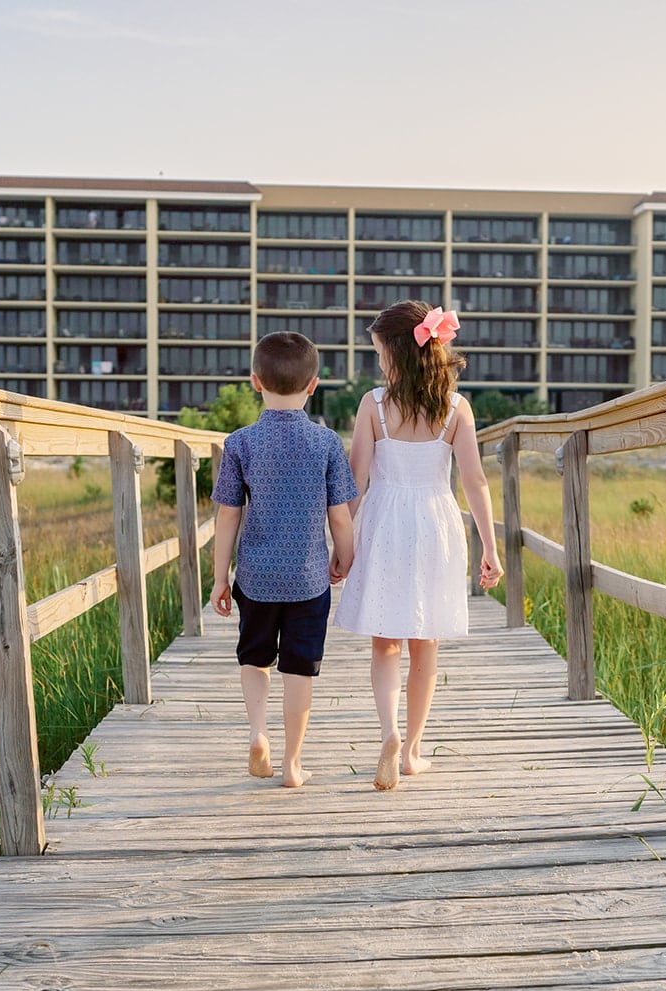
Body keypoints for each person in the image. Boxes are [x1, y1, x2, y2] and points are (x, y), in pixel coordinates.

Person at [334, 302, 502, 790]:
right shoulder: (456, 407)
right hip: (435, 524)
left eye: (381, 353)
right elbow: (474, 481)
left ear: (397, 355)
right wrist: (489, 546)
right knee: (423, 644)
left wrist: (341, 546)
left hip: (384, 522)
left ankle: (387, 732)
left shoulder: (373, 405)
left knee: (384, 643)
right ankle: (410, 752)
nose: (379, 363)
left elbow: (355, 482)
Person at [210, 331, 358, 788]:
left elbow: (227, 515)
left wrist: (220, 578)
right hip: (308, 576)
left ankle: (258, 734)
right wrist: (344, 558)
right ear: (313, 385)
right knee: (299, 669)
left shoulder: (240, 442)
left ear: (256, 381)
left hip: (255, 575)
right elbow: (340, 516)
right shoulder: (328, 443)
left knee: (254, 659)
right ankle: (293, 764)